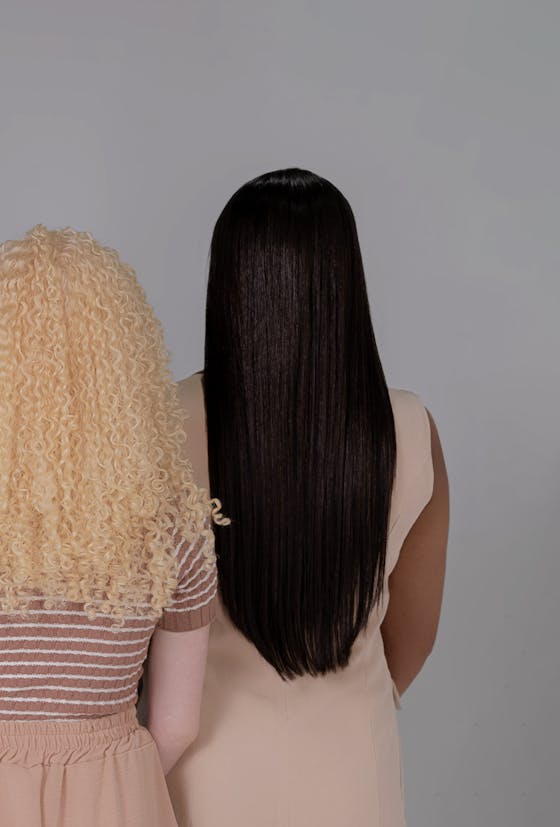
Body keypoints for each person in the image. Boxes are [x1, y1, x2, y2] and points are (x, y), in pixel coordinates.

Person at [0, 226, 220, 827]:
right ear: (122, 358)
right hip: (113, 784)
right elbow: (175, 726)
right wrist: (106, 779)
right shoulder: (176, 523)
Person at [166, 169, 450, 827]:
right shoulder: (409, 428)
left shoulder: (161, 421)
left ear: (230, 284)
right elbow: (413, 634)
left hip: (204, 769)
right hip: (354, 769)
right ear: (344, 284)